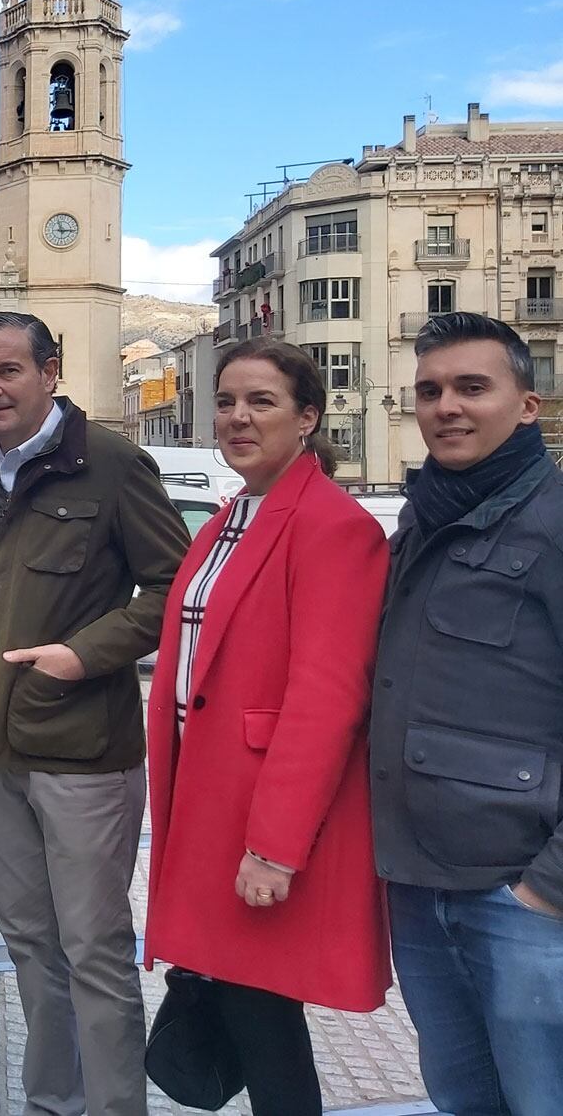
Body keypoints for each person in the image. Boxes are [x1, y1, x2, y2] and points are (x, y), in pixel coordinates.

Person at [0, 311, 188, 1116]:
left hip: (83, 749)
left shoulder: (115, 464)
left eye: (8, 371)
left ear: (50, 371)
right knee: (29, 943)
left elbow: (173, 591)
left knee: (94, 950)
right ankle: (52, 1102)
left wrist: (82, 654)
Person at [145, 339, 390, 1115]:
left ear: (308, 418)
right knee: (248, 1004)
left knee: (263, 1012)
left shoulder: (332, 525)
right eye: (225, 402)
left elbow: (327, 697)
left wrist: (275, 847)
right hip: (208, 794)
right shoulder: (231, 516)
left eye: (261, 403)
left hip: (256, 812)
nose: (237, 418)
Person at [371, 311, 563, 1116]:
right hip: (418, 886)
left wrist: (546, 888)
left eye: (471, 388)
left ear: (528, 405)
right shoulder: (425, 516)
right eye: (429, 390)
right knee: (462, 1099)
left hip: (519, 897)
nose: (446, 405)